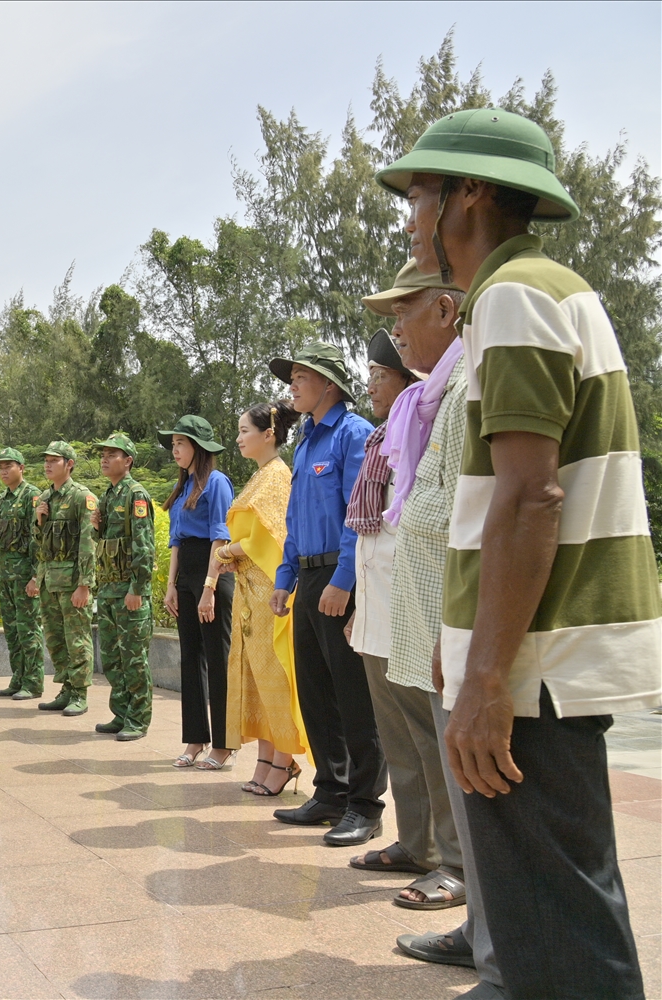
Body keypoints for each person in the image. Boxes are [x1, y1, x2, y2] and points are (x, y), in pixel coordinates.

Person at [377, 108, 661, 1000]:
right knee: (556, 923)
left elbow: (531, 497)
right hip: (527, 656)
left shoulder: (514, 295)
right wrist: (464, 644)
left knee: (558, 941)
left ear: (469, 193)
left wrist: (489, 676)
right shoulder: (542, 290)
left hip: (535, 666)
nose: (410, 219)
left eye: (419, 195)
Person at [371, 260, 499, 989]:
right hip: (435, 625)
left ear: (447, 312)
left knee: (476, 790)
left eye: (405, 313)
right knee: (460, 784)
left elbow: (475, 513)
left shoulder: (463, 384)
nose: (394, 332)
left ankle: (496, 940)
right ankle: (482, 930)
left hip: (458, 628)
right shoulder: (435, 395)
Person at [344, 325, 468, 910]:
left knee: (431, 737)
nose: (371, 384)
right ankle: (414, 843)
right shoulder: (381, 438)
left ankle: (453, 858)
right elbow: (372, 535)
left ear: (409, 379)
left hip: (416, 607)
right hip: (379, 609)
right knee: (399, 737)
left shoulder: (429, 421)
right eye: (369, 374)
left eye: (380, 374)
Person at [267, 342, 387, 847]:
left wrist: (343, 580)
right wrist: (284, 577)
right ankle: (330, 791)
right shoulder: (307, 442)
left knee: (353, 695)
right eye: (290, 376)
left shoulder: (352, 434)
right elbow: (296, 521)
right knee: (316, 692)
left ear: (329, 384)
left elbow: (358, 515)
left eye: (300, 376)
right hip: (310, 580)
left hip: (344, 580)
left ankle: (364, 804)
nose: (291, 385)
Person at [211, 400, 308, 796]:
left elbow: (274, 538)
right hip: (250, 591)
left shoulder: (277, 476)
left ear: (268, 434)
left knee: (275, 677)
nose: (238, 439)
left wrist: (229, 552)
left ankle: (284, 761)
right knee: (255, 678)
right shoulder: (259, 477)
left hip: (271, 590)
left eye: (244, 431)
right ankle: (267, 759)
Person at [159, 415, 235, 769]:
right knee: (189, 658)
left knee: (218, 659)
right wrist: (171, 586)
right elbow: (176, 541)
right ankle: (195, 740)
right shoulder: (183, 488)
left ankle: (224, 745)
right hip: (187, 572)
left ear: (199, 448)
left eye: (181, 443)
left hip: (212, 571)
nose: (175, 450)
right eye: (173, 444)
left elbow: (220, 535)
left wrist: (209, 587)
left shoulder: (216, 483)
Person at [91, 432, 156, 740]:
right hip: (108, 590)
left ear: (127, 461)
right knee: (113, 658)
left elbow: (144, 547)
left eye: (112, 454)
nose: (104, 458)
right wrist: (96, 528)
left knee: (133, 658)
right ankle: (121, 713)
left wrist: (138, 589)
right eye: (103, 454)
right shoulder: (109, 495)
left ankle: (139, 719)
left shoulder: (136, 495)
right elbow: (105, 544)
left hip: (128, 592)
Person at [25, 442, 97, 717]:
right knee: (55, 640)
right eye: (45, 460)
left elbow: (88, 544)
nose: (47, 465)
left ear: (69, 464)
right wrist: (39, 521)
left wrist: (84, 584)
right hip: (48, 580)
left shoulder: (82, 497)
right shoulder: (45, 498)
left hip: (71, 582)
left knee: (76, 639)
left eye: (54, 460)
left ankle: (80, 693)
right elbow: (40, 546)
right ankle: (66, 688)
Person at [0, 447, 44, 700]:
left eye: (8, 466)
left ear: (21, 468)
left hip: (24, 573)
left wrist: (36, 577)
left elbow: (37, 540)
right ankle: (18, 677)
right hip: (5, 572)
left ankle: (33, 682)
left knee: (28, 628)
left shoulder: (32, 496)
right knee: (11, 630)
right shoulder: (3, 498)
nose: (3, 470)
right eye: (0, 466)